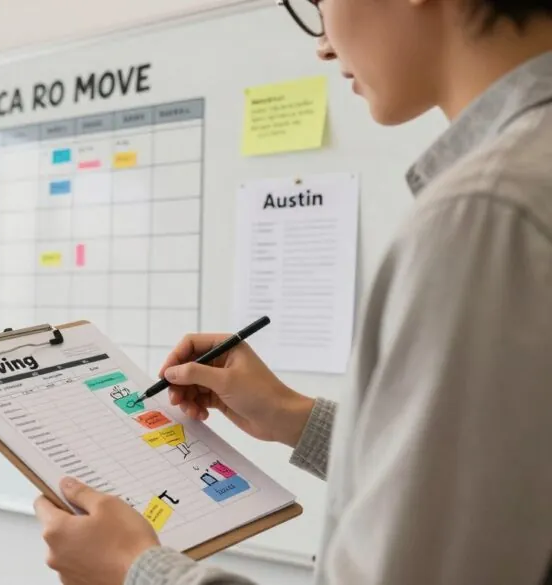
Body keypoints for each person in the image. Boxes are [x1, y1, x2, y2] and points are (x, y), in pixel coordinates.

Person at [33, 0, 552, 581]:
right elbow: (504, 475)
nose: (324, 44)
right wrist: (293, 418)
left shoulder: (484, 212)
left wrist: (136, 569)